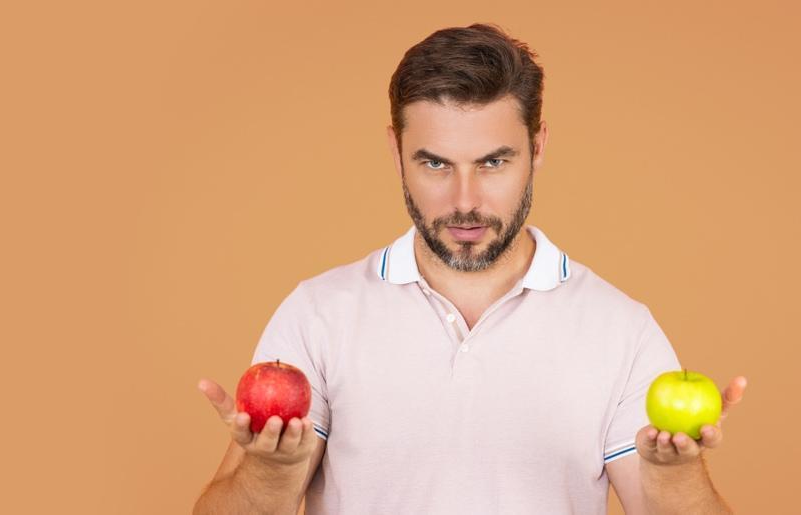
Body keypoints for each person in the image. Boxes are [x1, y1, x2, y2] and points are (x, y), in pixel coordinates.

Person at [193, 23, 747, 514]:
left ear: (538, 146)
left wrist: (677, 476)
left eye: (493, 162)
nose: (465, 200)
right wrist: (271, 474)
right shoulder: (318, 315)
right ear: (396, 152)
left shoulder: (621, 330)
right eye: (434, 163)